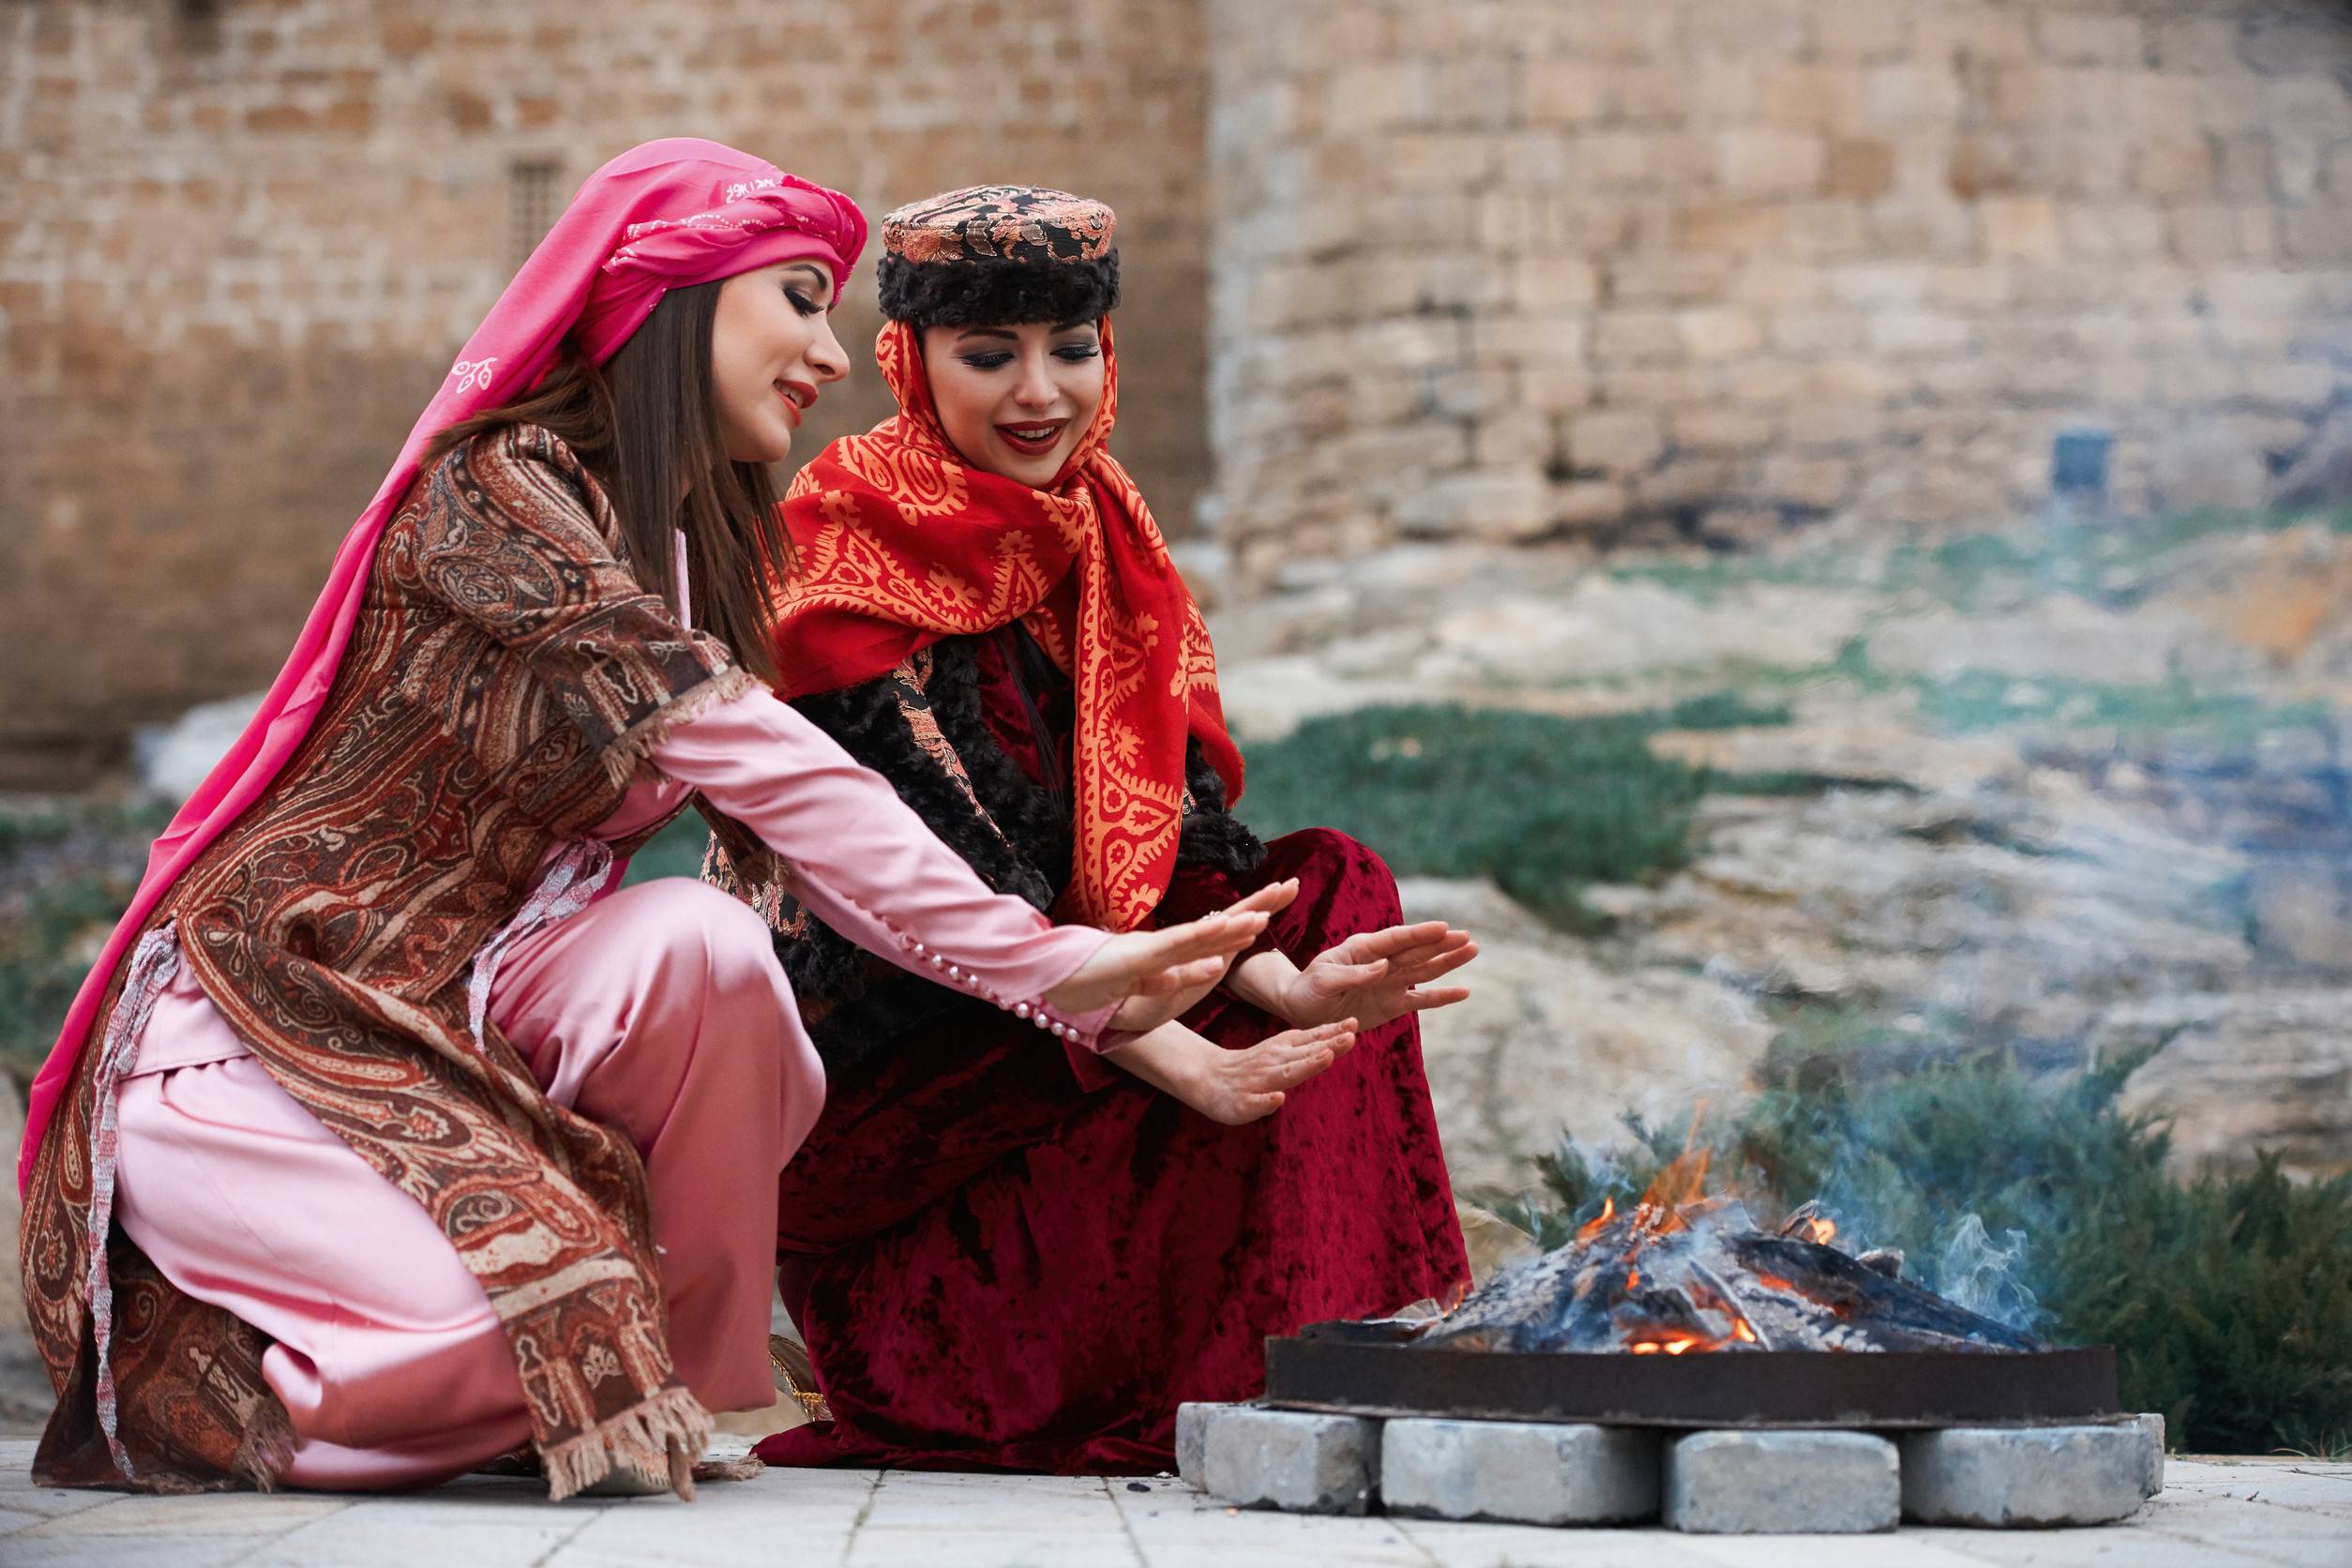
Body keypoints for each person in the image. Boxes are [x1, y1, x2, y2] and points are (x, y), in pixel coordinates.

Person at [14, 144, 1274, 1501]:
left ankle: (689, 1384)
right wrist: (1053, 970)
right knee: (522, 1346)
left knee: (706, 948)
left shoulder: (680, 553)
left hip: (473, 1008)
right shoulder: (493, 496)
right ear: (675, 299)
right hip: (271, 1031)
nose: (830, 358)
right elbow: (777, 766)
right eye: (799, 300)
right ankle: (201, 1374)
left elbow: (803, 853)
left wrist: (1126, 1005)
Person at [724, 185, 1477, 1474]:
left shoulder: (1101, 538)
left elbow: (1161, 839)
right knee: (1076, 972)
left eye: (1070, 349)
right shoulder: (841, 560)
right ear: (909, 360)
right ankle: (1085, 1368)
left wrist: (1285, 983)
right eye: (989, 353)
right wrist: (1191, 1058)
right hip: (912, 1068)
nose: (1040, 393)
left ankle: (1315, 1346)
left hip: (1078, 1006)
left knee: (1333, 883)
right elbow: (961, 892)